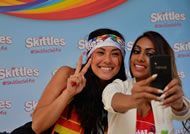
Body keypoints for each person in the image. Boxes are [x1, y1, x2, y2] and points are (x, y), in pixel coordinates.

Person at [30, 28, 127, 134]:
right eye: (100, 52)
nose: (107, 60)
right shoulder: (67, 74)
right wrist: (68, 93)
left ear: (121, 59)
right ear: (90, 56)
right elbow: (37, 126)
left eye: (115, 54)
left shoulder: (124, 92)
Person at [102, 31, 190, 134]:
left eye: (149, 54)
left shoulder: (167, 91)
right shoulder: (119, 86)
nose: (140, 58)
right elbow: (111, 100)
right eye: (136, 51)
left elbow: (183, 113)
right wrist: (133, 100)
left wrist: (178, 105)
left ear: (160, 60)